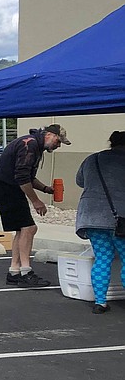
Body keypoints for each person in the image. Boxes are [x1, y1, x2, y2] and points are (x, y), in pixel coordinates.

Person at [0, 124, 67, 287]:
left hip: (5, 186)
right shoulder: (30, 144)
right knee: (29, 228)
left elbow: (29, 178)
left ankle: (14, 271)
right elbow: (22, 177)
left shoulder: (35, 145)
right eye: (58, 141)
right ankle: (26, 272)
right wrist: (36, 201)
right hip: (6, 187)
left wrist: (46, 189)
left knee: (22, 229)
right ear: (49, 135)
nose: (58, 145)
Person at [75, 130, 125, 313]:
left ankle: (100, 302)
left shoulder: (92, 159)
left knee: (103, 258)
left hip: (91, 217)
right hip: (120, 218)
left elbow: (80, 181)